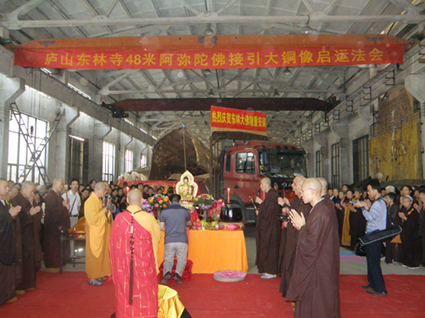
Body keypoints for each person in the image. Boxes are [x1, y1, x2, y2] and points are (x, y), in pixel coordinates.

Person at [286, 178, 340, 318]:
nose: (301, 194)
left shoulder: (321, 212)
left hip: (319, 266)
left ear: (312, 191)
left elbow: (310, 245)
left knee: (318, 301)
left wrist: (302, 227)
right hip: (320, 262)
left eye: (303, 191)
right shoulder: (317, 209)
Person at [109, 189, 161, 318]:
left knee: (125, 293)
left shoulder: (119, 219)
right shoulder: (148, 218)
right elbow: (157, 237)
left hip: (123, 266)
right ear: (142, 201)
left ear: (127, 200)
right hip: (144, 266)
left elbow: (113, 243)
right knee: (146, 294)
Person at [277, 176, 310, 297]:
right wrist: (286, 206)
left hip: (298, 241)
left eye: (294, 184)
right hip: (292, 239)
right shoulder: (298, 201)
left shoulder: (308, 205)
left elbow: (302, 224)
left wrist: (288, 223)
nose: (292, 186)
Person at [354, 179, 387, 296]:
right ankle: (372, 283)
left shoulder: (378, 203)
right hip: (373, 234)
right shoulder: (378, 202)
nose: (368, 193)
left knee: (374, 262)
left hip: (375, 235)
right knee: (371, 260)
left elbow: (370, 217)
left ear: (375, 190)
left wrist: (362, 208)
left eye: (369, 191)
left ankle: (380, 288)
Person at [10, 181, 41, 291]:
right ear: (25, 190)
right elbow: (18, 221)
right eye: (31, 191)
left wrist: (32, 204)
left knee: (29, 260)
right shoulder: (16, 201)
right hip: (21, 237)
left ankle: (29, 283)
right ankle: (21, 285)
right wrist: (29, 214)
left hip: (30, 235)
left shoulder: (27, 200)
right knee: (23, 260)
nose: (32, 194)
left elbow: (35, 213)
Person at [160, 194, 192, 284]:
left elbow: (162, 227)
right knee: (181, 259)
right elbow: (189, 224)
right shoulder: (185, 211)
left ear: (169, 201)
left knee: (168, 258)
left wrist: (170, 228)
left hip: (169, 239)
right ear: (179, 201)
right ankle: (178, 274)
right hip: (182, 239)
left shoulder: (164, 211)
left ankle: (167, 272)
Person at [84, 182, 112, 286]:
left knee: (101, 253)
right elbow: (92, 219)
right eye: (104, 190)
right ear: (99, 190)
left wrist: (106, 208)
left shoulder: (98, 201)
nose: (106, 192)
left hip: (101, 231)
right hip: (94, 233)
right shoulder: (90, 202)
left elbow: (104, 215)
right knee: (94, 254)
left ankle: (98, 273)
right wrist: (103, 212)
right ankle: (92, 277)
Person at [255, 177, 281, 279]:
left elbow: (270, 212)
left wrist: (261, 205)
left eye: (261, 184)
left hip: (271, 227)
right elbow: (268, 209)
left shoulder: (272, 195)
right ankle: (266, 269)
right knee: (266, 247)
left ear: (267, 185)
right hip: (268, 226)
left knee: (270, 248)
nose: (260, 186)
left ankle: (271, 271)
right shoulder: (270, 194)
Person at [0, 179, 22, 305]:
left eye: (8, 187)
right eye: (5, 187)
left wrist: (12, 216)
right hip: (2, 243)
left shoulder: (4, 202)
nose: (8, 189)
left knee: (7, 270)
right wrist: (10, 216)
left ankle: (7, 294)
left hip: (7, 240)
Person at [43, 179, 71, 273]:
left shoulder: (58, 196)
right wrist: (64, 207)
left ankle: (58, 263)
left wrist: (65, 206)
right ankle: (51, 265)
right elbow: (54, 212)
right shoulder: (51, 196)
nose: (62, 187)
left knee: (57, 247)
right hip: (52, 226)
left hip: (57, 226)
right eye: (61, 185)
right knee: (52, 247)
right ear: (55, 184)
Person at [399, 195, 421, 269]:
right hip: (406, 232)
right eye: (403, 202)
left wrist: (404, 218)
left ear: (410, 202)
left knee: (412, 248)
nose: (404, 203)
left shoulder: (414, 211)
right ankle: (406, 261)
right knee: (406, 247)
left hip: (413, 233)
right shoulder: (405, 210)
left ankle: (413, 264)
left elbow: (414, 223)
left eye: (406, 202)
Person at [384, 192, 401, 264]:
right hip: (388, 226)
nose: (385, 199)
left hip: (393, 226)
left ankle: (394, 258)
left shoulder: (395, 206)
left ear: (391, 199)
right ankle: (388, 258)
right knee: (388, 243)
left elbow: (393, 217)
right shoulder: (388, 206)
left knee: (392, 243)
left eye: (386, 198)